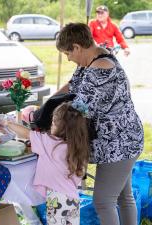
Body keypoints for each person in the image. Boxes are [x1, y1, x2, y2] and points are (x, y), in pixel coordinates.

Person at [55, 23, 144, 225]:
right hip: (120, 140)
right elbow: (72, 86)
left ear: (77, 47)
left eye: (68, 53)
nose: (68, 58)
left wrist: (47, 124)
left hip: (120, 143)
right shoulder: (92, 60)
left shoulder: (100, 70)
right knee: (123, 197)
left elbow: (78, 110)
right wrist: (49, 102)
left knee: (103, 201)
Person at [6, 101, 89, 225]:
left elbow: (27, 134)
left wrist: (7, 123)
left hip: (58, 199)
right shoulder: (76, 145)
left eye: (53, 122)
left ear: (60, 126)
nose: (51, 126)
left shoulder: (51, 143)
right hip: (71, 196)